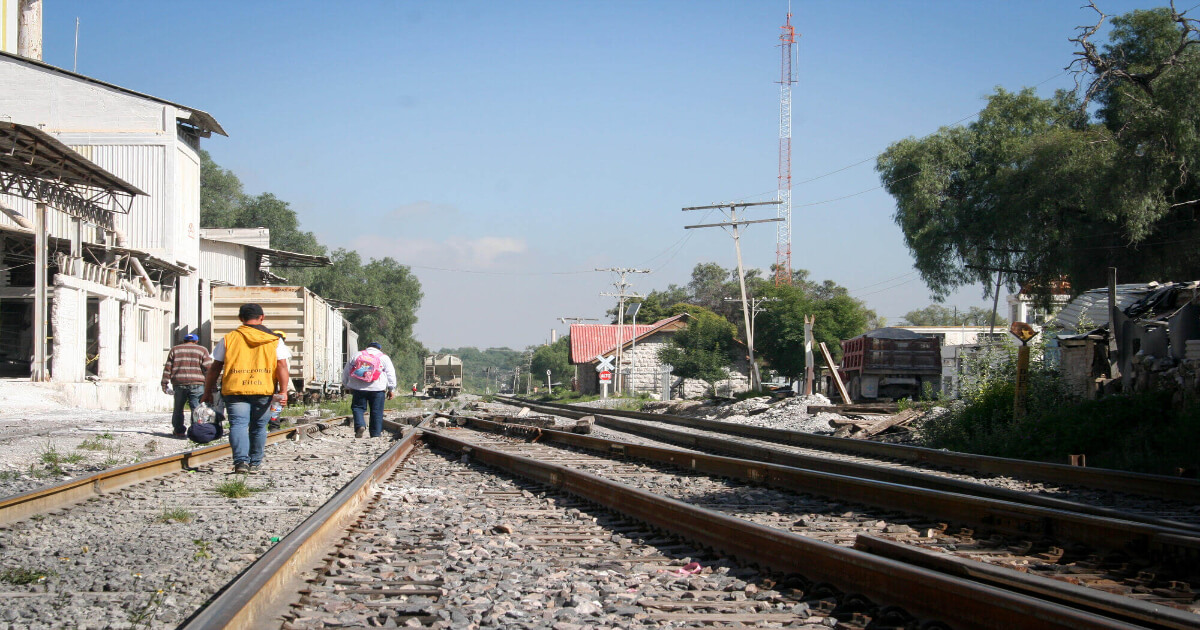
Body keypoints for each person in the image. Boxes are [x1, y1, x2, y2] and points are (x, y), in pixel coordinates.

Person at [201, 303, 290, 474]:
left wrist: (207, 391)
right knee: (258, 427)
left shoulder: (229, 338)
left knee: (238, 425)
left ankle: (241, 462)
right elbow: (282, 366)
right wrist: (283, 391)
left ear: (240, 319)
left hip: (235, 389)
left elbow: (215, 367)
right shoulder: (274, 340)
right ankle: (255, 462)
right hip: (263, 389)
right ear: (262, 317)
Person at [161, 333, 213, 438]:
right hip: (197, 384)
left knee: (178, 408)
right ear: (196, 341)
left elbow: (168, 368)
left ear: (184, 341)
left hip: (179, 383)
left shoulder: (175, 350)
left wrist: (164, 383)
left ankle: (179, 430)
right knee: (196, 408)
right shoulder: (202, 350)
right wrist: (211, 385)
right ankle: (196, 431)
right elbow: (208, 368)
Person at [342, 342, 397, 438]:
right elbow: (390, 374)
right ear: (379, 349)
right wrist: (391, 389)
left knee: (358, 407)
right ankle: (375, 434)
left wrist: (346, 385)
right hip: (378, 389)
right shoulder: (384, 357)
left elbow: (346, 371)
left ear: (366, 347)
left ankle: (360, 425)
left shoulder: (357, 355)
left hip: (359, 387)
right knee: (377, 411)